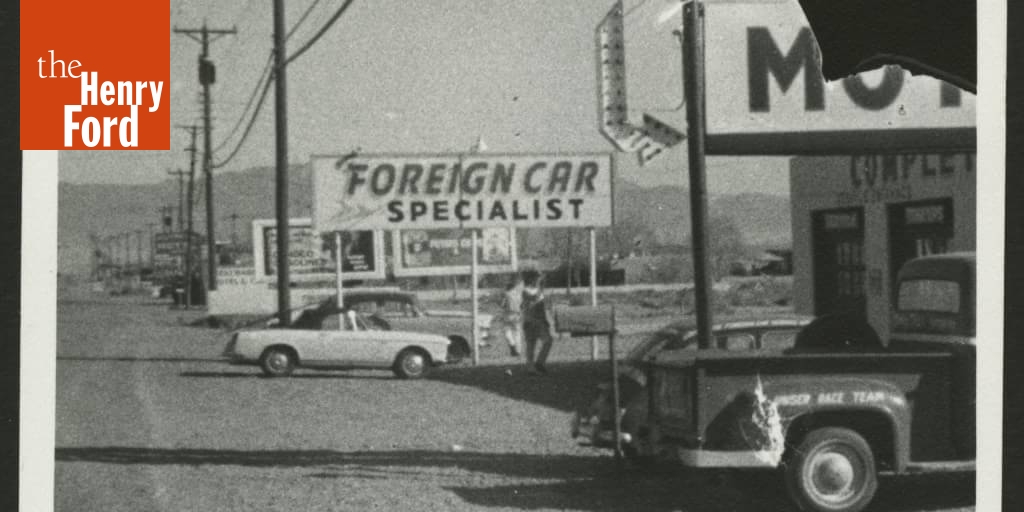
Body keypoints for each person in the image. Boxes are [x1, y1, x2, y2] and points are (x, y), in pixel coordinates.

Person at [521, 270, 555, 374]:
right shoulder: (525, 290)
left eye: (539, 278)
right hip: (530, 321)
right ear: (531, 279)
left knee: (548, 340)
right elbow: (534, 298)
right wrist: (540, 287)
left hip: (540, 321)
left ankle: (540, 362)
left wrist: (545, 320)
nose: (538, 280)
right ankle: (530, 367)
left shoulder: (539, 290)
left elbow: (541, 306)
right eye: (537, 278)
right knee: (531, 345)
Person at [500, 274, 524, 356]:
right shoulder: (520, 294)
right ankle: (518, 350)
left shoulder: (506, 294)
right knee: (517, 332)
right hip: (517, 314)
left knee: (507, 331)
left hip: (508, 314)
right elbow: (522, 305)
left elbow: (502, 304)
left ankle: (512, 344)